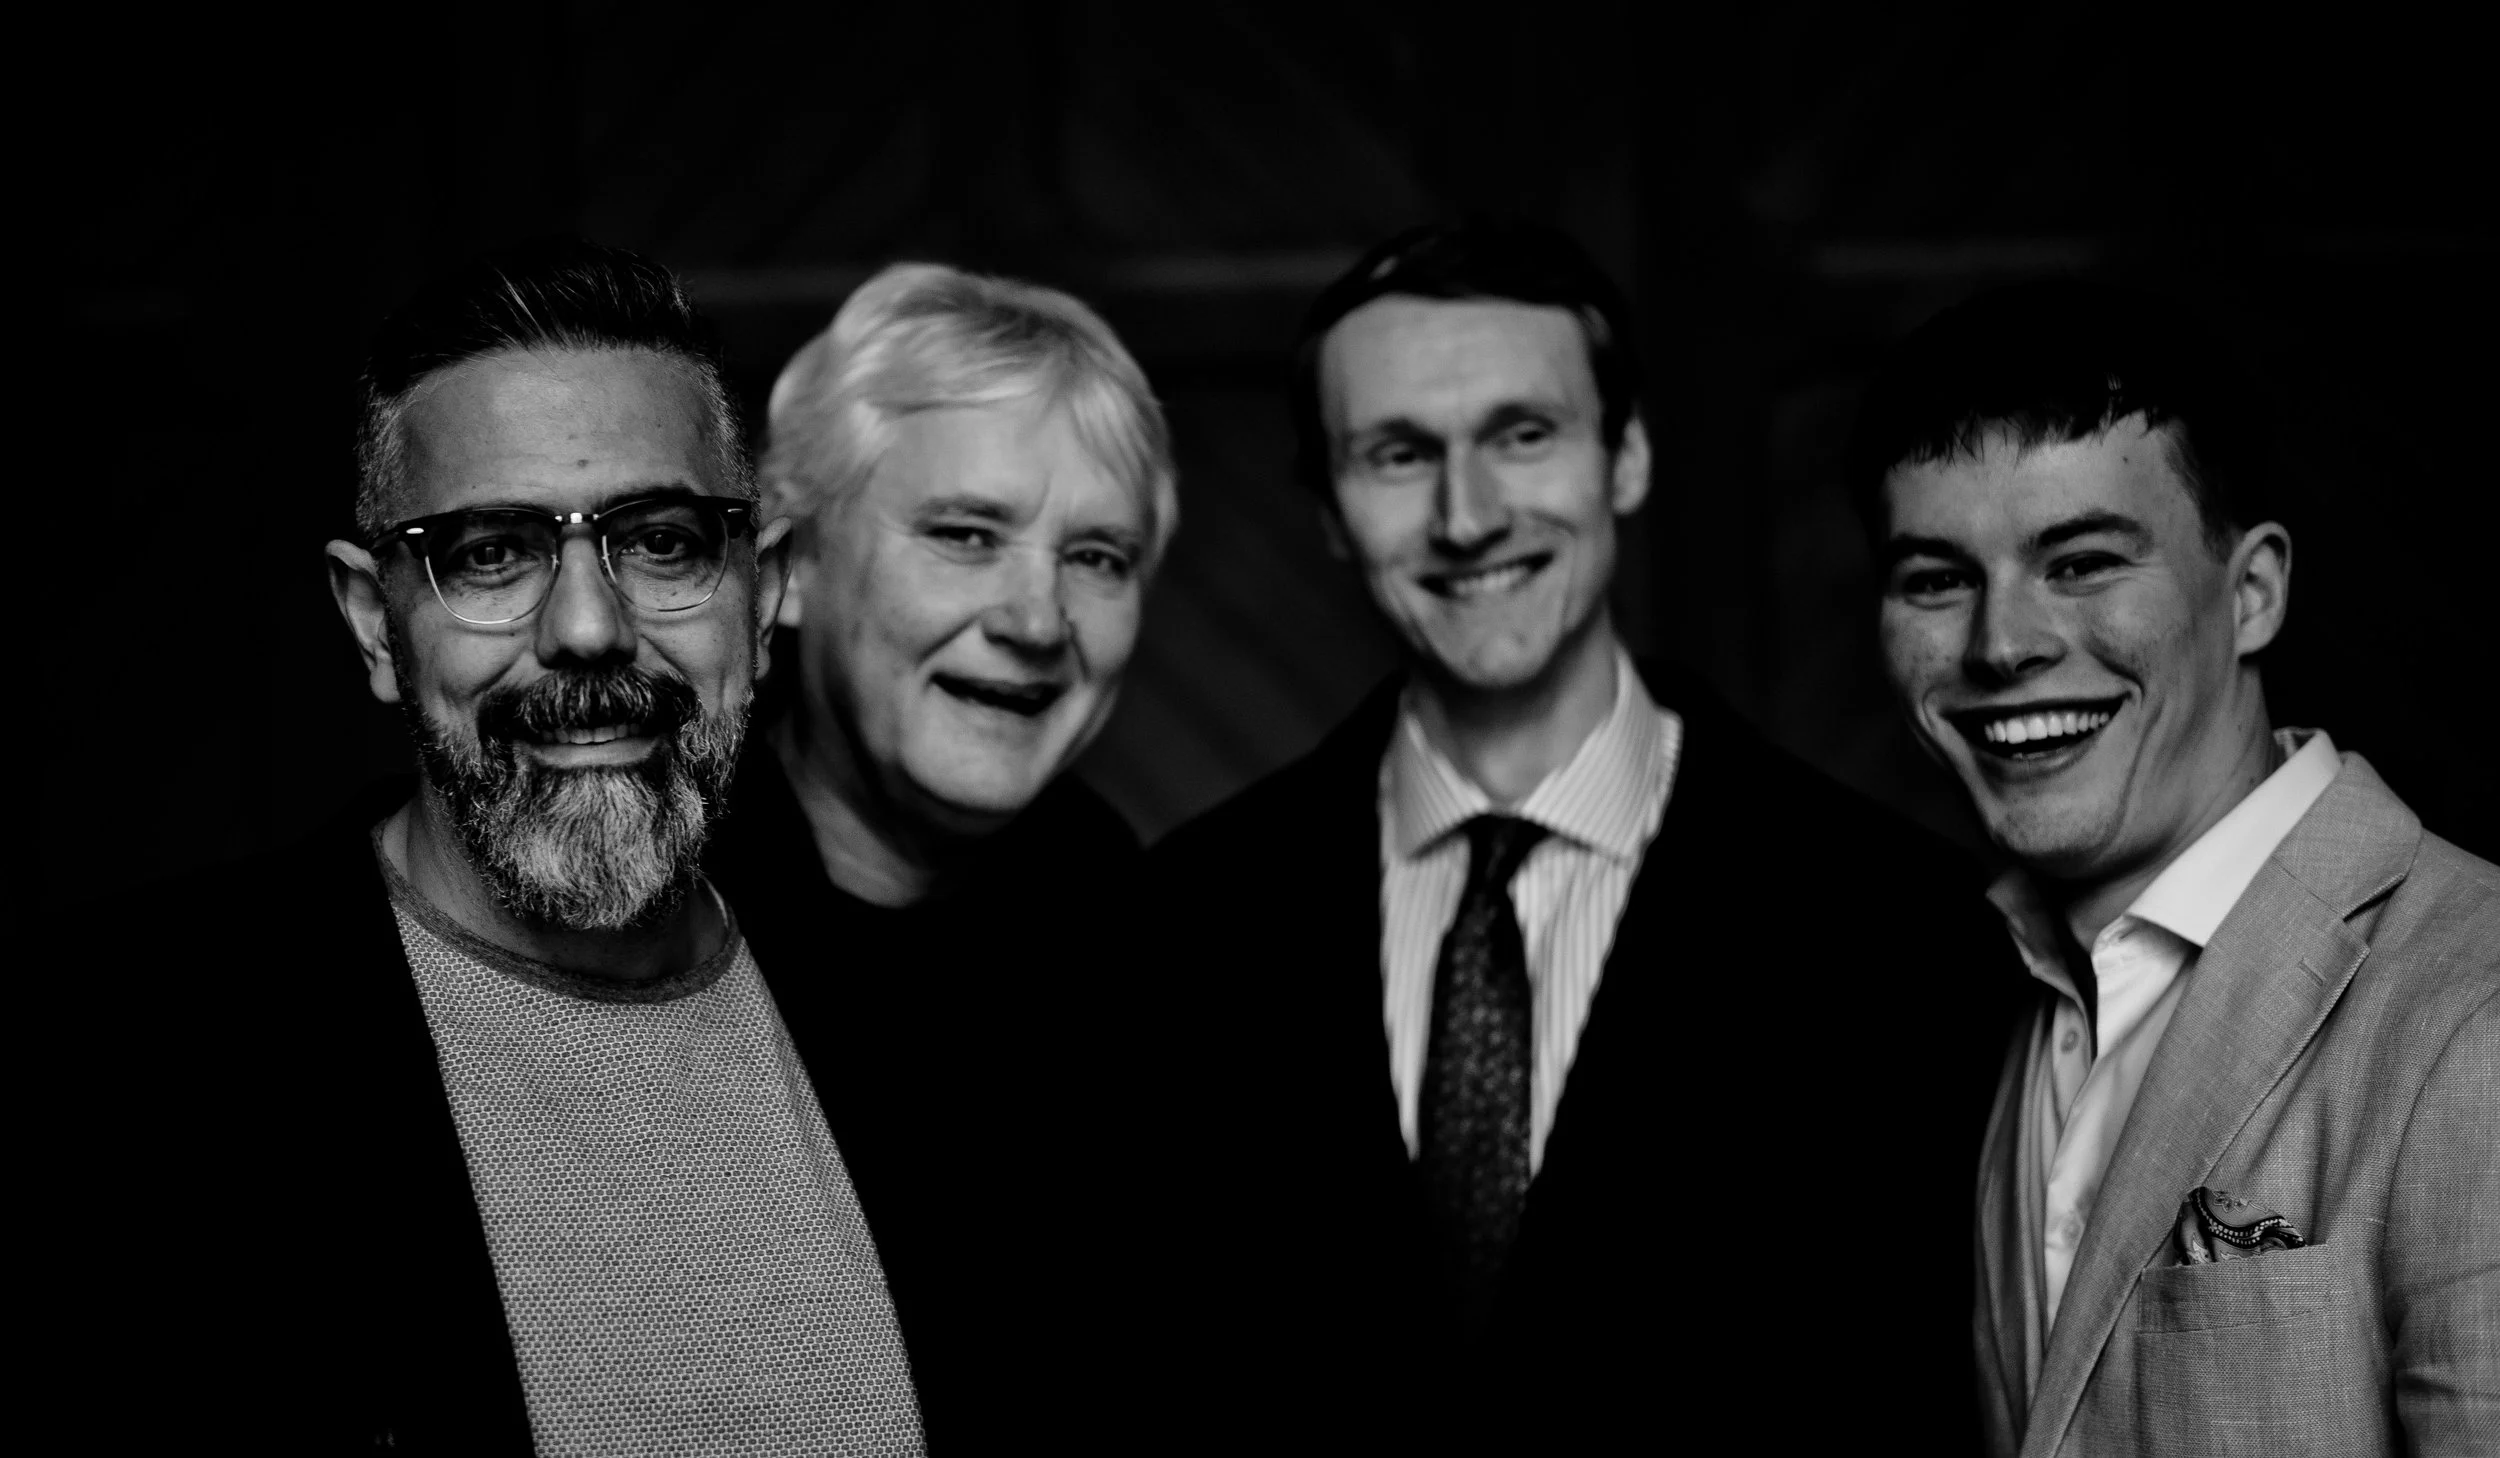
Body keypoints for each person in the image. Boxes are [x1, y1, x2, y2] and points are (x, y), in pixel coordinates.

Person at [1145, 218, 2020, 1451]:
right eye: (1398, 453)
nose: (1465, 516)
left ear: (1626, 457)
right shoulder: (1178, 923)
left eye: (1522, 435)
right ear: (1331, 511)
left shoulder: (1897, 926)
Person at [65, 239, 926, 1455]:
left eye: (662, 541)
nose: (587, 628)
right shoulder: (117, 1062)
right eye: (488, 555)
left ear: (765, 591)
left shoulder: (937, 1040)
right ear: (376, 626)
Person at [1854, 280, 2497, 1457]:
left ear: (2251, 593)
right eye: (1937, 580)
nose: (2003, 645)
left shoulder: (2472, 1006)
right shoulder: (1969, 995)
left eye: (2082, 562)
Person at [700, 262, 1179, 1452]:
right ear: (786, 571)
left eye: (1098, 557)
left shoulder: (1145, 938)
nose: (1036, 621)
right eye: (966, 535)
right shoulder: (640, 914)